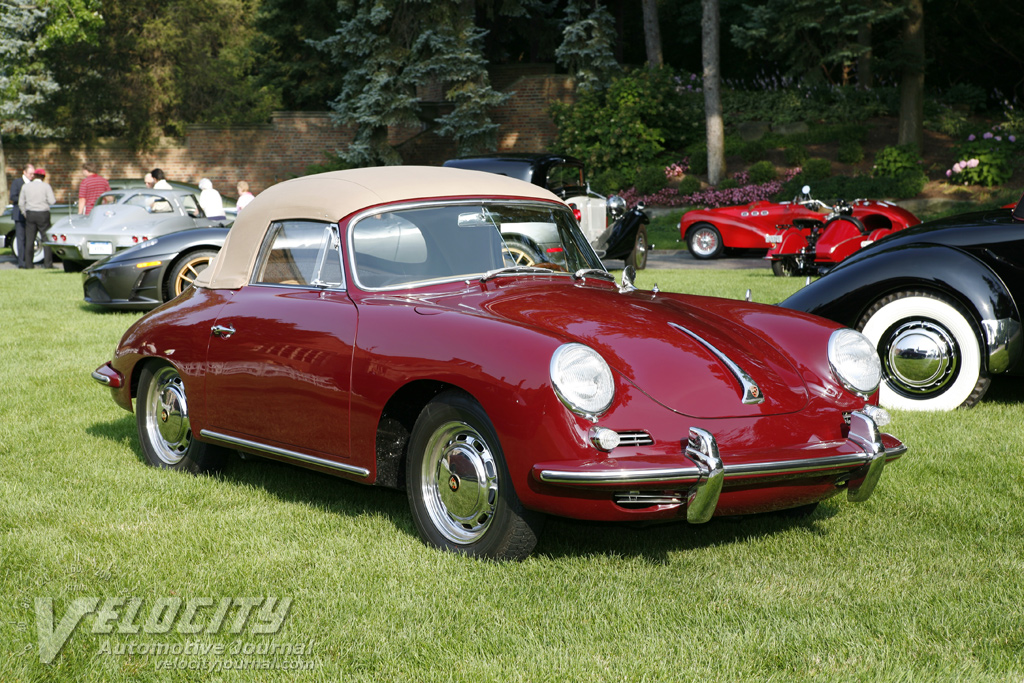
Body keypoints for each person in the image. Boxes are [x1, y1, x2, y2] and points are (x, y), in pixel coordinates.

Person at [18, 167, 56, 269]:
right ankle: (48, 264)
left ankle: (29, 264)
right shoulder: (46, 186)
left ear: (34, 176)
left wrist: (25, 213)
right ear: (43, 177)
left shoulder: (26, 186)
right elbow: (52, 201)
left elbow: (21, 203)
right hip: (43, 214)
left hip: (30, 214)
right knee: (46, 239)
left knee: (29, 239)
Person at [9, 162, 35, 268]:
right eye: (30, 173)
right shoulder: (17, 182)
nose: (32, 176)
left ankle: (29, 261)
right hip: (19, 214)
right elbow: (13, 197)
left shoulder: (33, 183)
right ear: (24, 172)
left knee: (30, 238)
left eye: (33, 174)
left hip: (31, 214)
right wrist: (24, 200)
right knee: (20, 238)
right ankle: (21, 262)